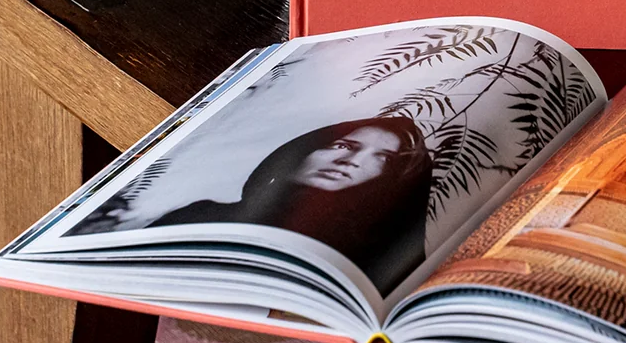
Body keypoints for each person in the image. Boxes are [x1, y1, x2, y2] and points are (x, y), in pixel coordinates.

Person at [72, 118, 435, 293]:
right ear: (304, 150)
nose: (350, 161)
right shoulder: (202, 214)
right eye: (343, 146)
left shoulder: (369, 251)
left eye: (382, 159)